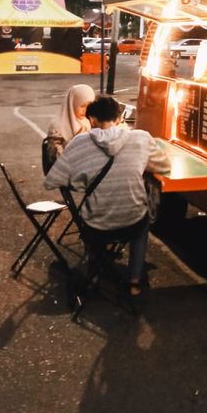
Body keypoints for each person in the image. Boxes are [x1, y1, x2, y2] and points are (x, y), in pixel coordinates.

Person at [44, 95, 170, 296]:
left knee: (94, 214)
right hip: (132, 222)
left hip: (96, 226)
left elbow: (54, 179)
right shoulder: (141, 137)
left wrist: (83, 179)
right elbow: (164, 165)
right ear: (119, 118)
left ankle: (95, 274)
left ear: (92, 120)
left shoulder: (80, 142)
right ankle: (135, 280)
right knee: (142, 220)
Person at [42, 84, 95, 172]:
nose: (85, 110)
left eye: (89, 106)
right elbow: (55, 158)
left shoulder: (89, 121)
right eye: (82, 106)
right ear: (71, 104)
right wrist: (76, 141)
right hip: (67, 173)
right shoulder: (57, 125)